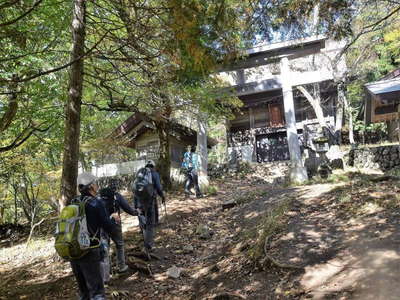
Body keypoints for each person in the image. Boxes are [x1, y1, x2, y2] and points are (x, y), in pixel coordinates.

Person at [69, 172, 117, 300]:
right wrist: (113, 219)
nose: (97, 185)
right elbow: (109, 227)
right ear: (90, 187)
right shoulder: (95, 203)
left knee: (84, 292)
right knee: (97, 292)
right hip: (89, 251)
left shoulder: (73, 202)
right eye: (95, 183)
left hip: (73, 251)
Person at [98, 182, 138, 284]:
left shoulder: (98, 198)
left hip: (102, 225)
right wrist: (136, 212)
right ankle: (121, 267)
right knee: (119, 245)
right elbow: (128, 209)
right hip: (115, 224)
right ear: (115, 189)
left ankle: (107, 274)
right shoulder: (117, 196)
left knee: (105, 248)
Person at [133, 160, 165, 256]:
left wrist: (135, 204)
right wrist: (162, 196)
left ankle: (143, 235)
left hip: (138, 200)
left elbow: (135, 188)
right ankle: (149, 246)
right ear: (153, 166)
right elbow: (159, 188)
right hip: (149, 201)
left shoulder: (140, 172)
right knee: (150, 223)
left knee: (142, 219)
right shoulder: (154, 174)